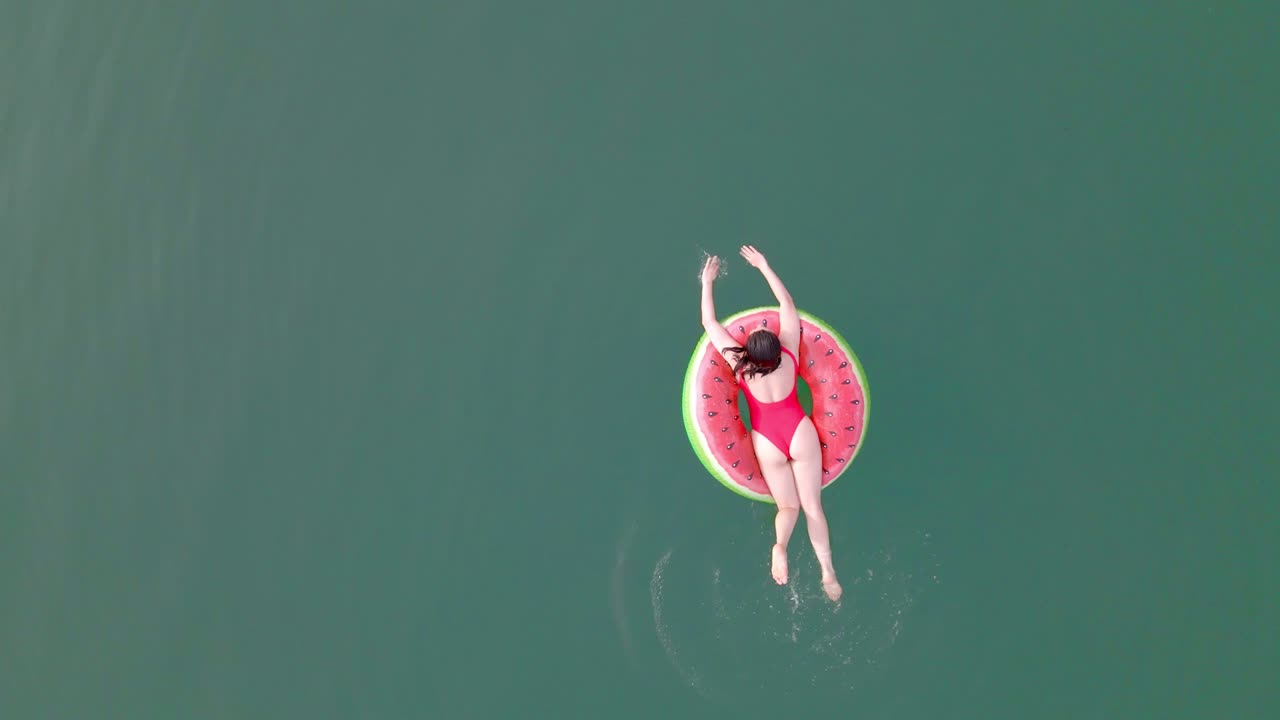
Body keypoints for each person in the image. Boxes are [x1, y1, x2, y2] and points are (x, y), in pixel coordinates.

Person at [699, 246, 843, 602]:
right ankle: (828, 574)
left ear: (749, 353)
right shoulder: (790, 354)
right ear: (777, 350)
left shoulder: (740, 366)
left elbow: (710, 324)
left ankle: (780, 546)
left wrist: (707, 282)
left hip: (768, 440)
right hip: (798, 431)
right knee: (813, 508)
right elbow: (787, 303)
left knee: (788, 508)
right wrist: (763, 265)